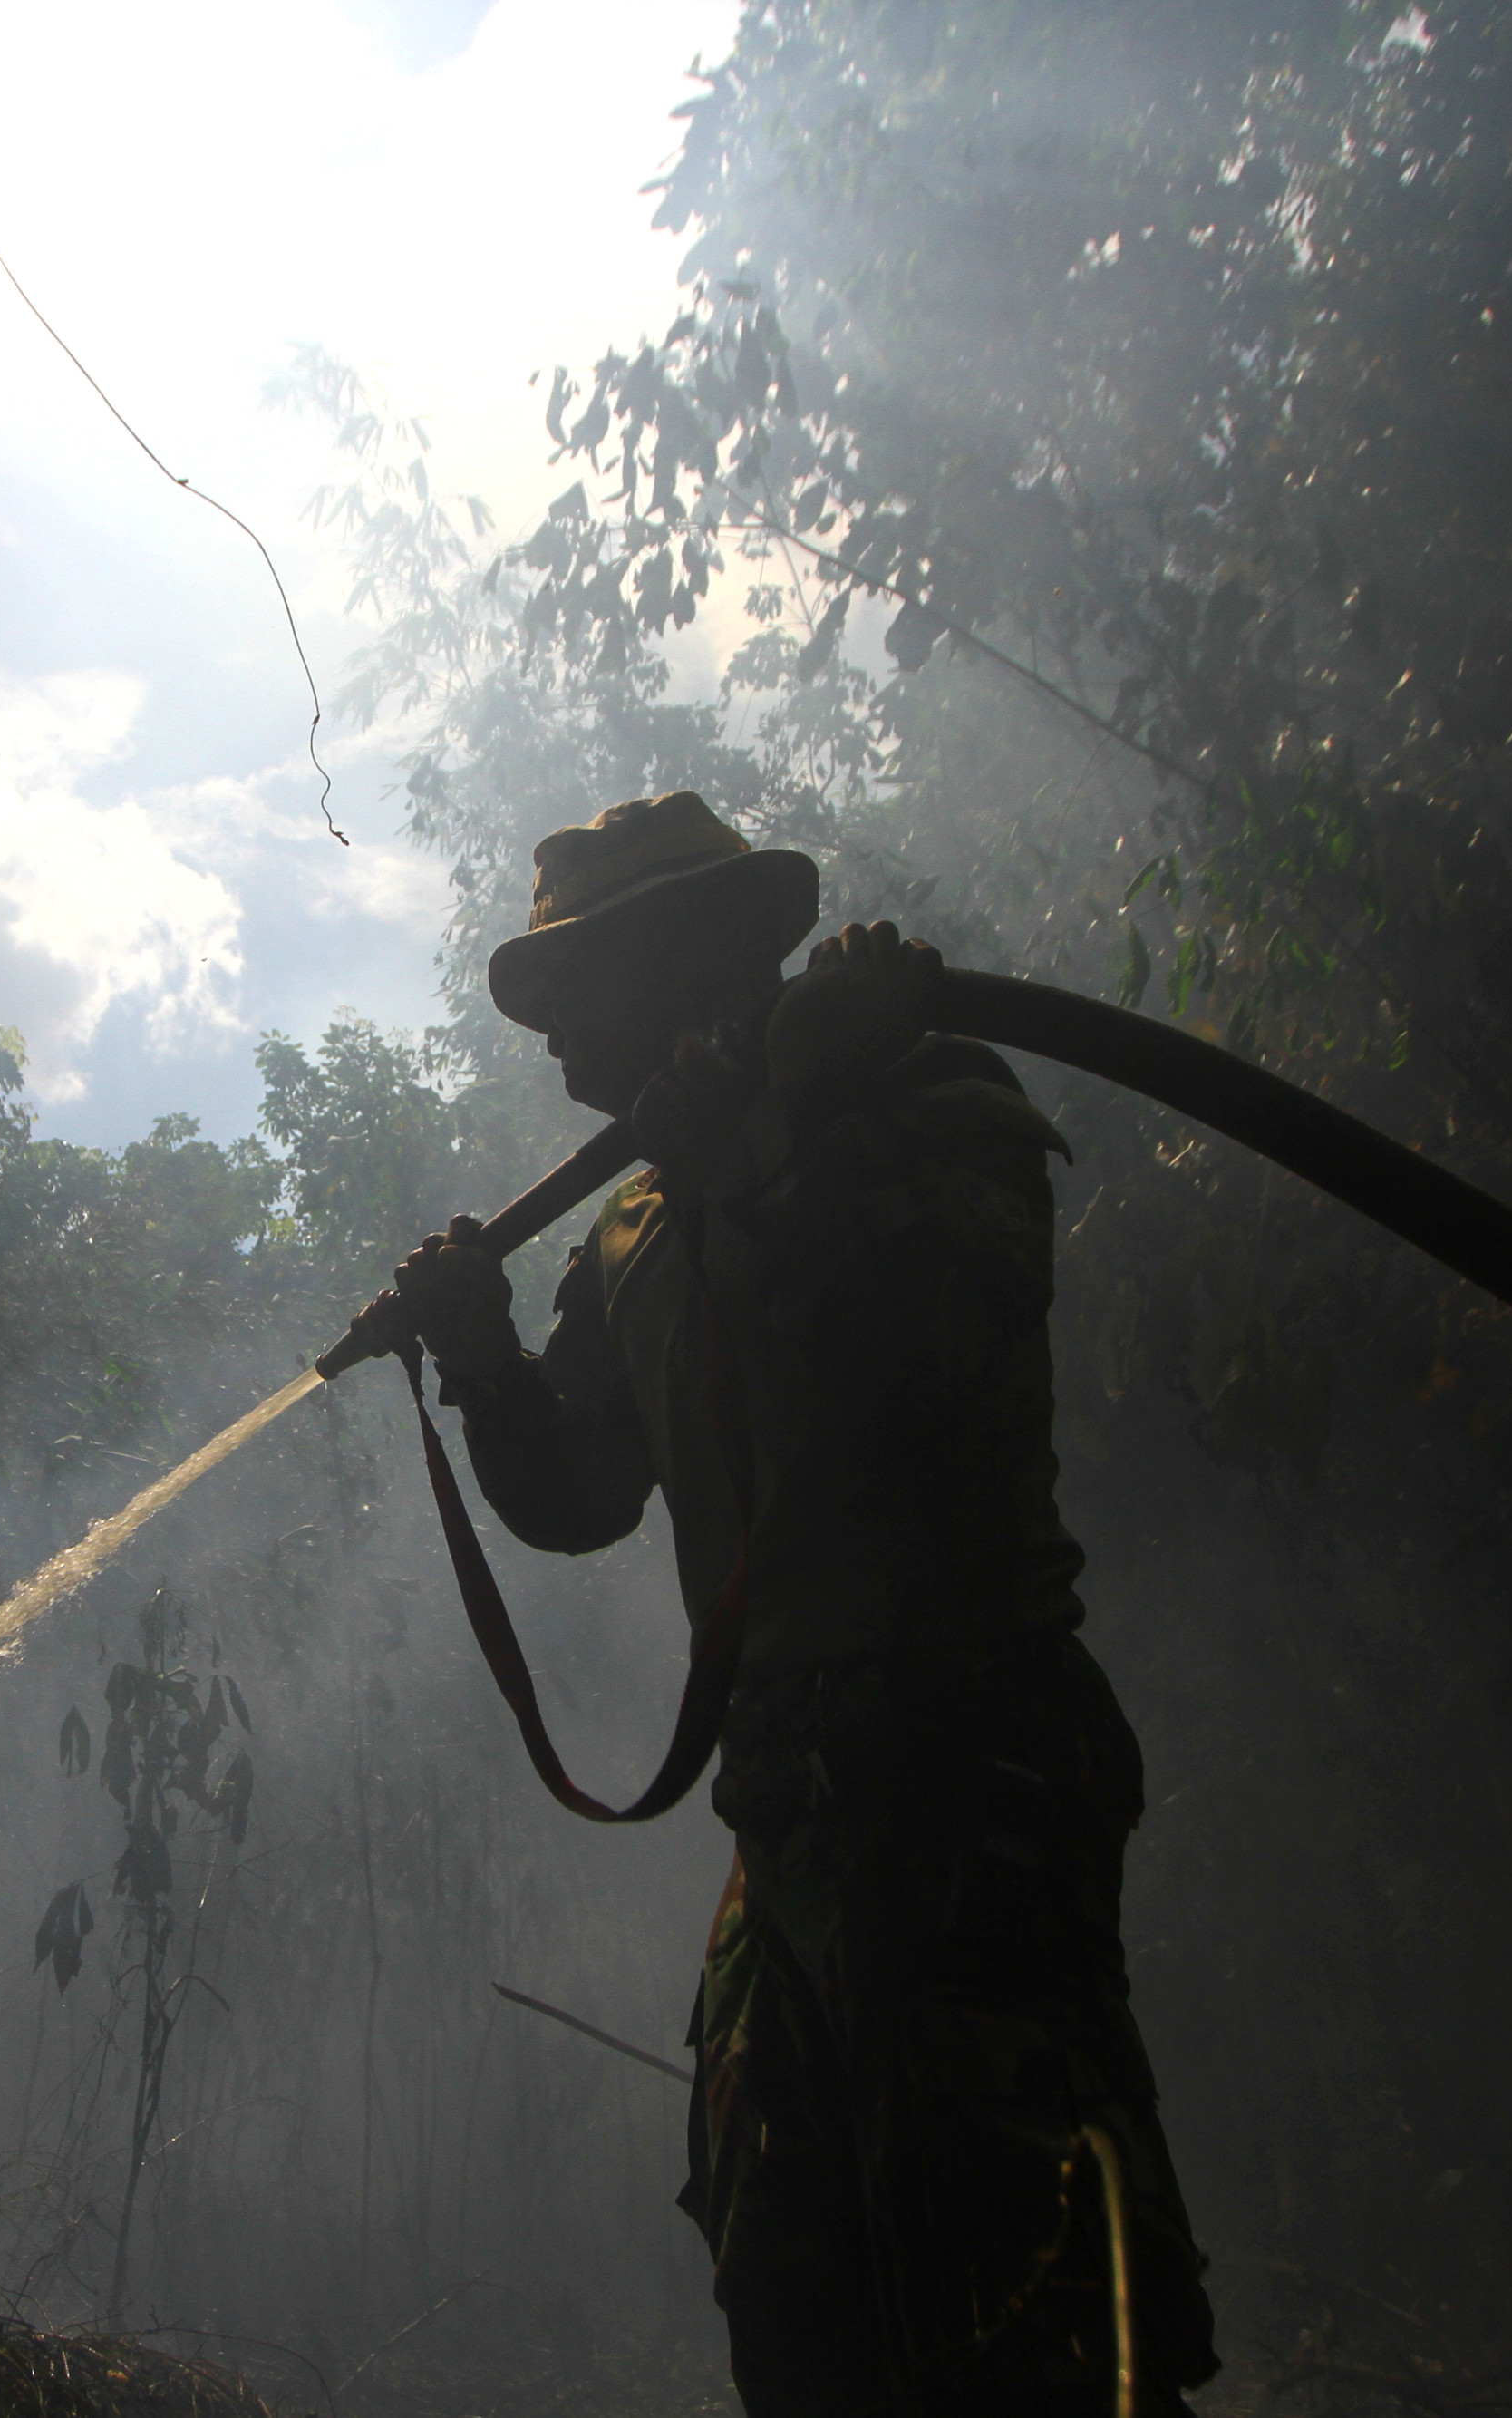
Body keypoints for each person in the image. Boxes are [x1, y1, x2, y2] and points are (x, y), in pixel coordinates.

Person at [386, 791, 1216, 2415]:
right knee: (793, 2281)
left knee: (1020, 2296)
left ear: (696, 958)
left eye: (579, 1001)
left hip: (968, 1768)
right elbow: (579, 1497)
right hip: (788, 1815)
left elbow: (923, 1384)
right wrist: (482, 1356)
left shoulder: (918, 1096)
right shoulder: (630, 1226)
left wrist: (755, 1172)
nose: (558, 1056)